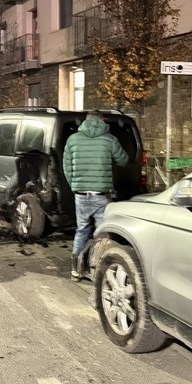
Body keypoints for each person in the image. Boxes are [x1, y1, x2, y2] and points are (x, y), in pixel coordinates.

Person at [63, 110, 128, 280]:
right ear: (102, 120)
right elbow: (123, 160)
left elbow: (67, 167)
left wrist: (75, 185)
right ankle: (98, 268)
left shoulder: (73, 140)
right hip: (102, 194)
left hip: (81, 194)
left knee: (81, 230)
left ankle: (76, 270)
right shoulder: (109, 139)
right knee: (102, 232)